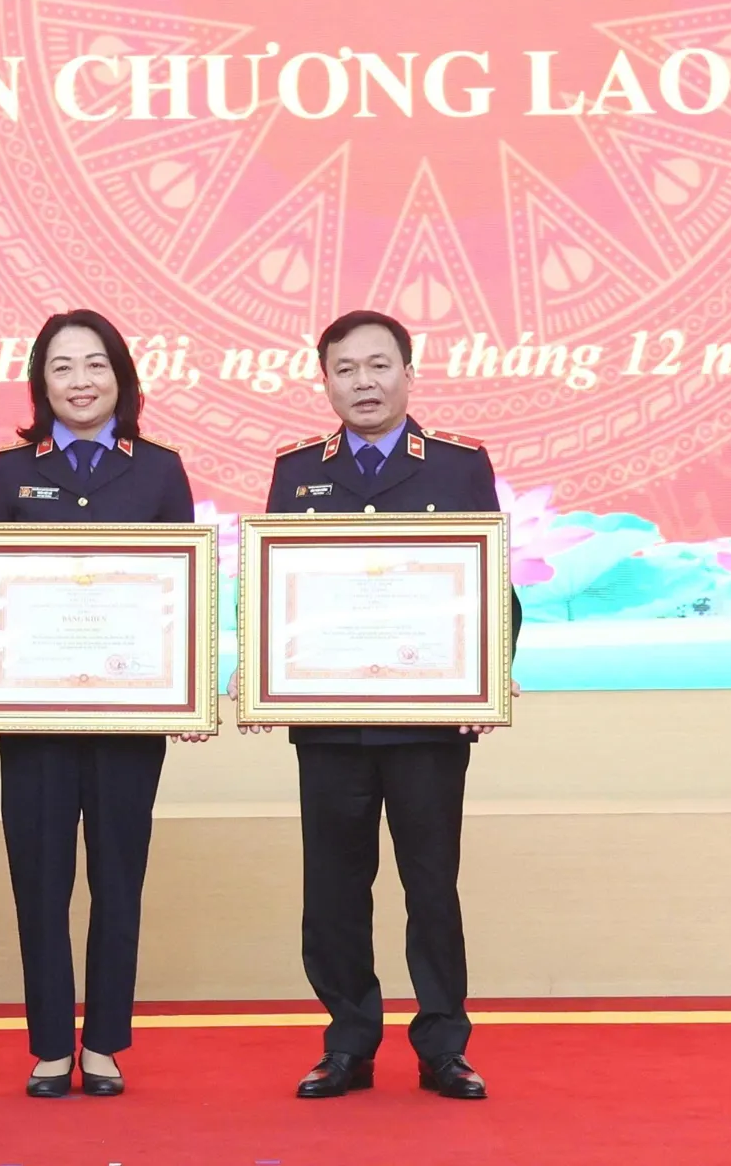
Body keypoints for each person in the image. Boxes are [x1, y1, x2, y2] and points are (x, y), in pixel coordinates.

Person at [245, 309, 519, 1102]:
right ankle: (348, 1042)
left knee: (431, 887)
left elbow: (490, 582)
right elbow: (276, 586)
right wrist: (261, 670)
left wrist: (490, 672)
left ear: (408, 372)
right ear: (324, 380)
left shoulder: (458, 465)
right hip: (329, 723)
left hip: (428, 722)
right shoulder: (298, 470)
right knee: (333, 891)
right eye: (345, 369)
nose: (363, 383)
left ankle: (443, 1046)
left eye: (378, 365)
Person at [0, 310, 208, 1098]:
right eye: (61, 366)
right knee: (39, 882)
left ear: (121, 376)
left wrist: (187, 690)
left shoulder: (159, 470)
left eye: (95, 364)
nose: (80, 381)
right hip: (34, 721)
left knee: (118, 880)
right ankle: (48, 1046)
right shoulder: (11, 471)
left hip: (130, 719)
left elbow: (180, 593)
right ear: (41, 382)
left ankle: (102, 1042)